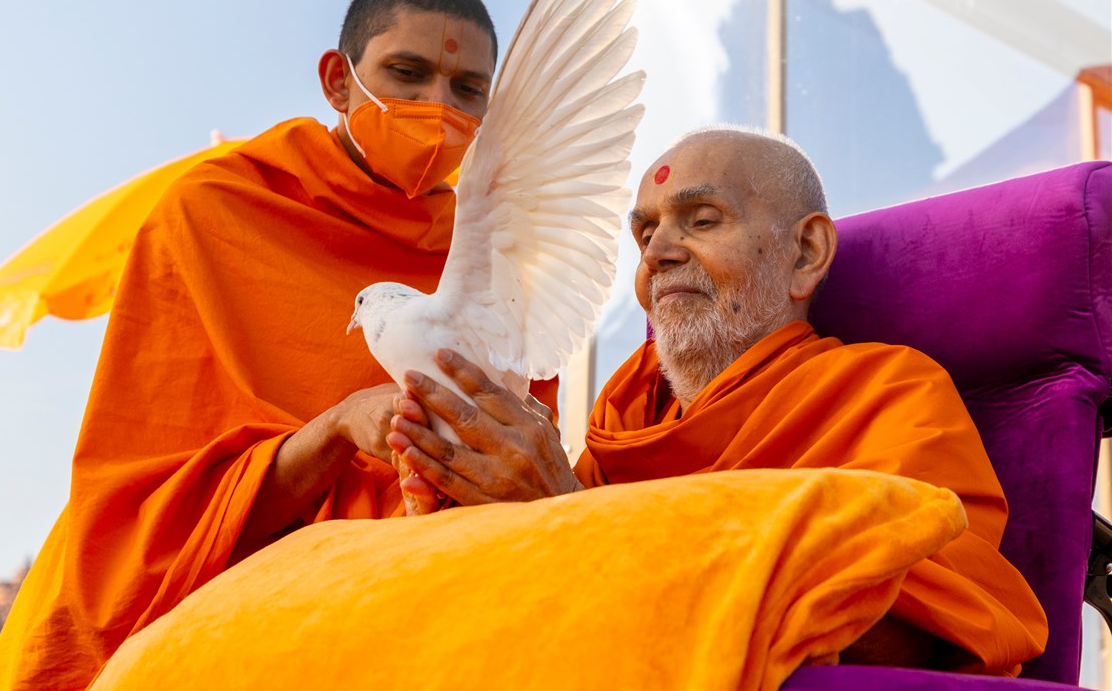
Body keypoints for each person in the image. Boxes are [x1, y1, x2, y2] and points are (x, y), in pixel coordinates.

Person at [0, 0, 557, 691]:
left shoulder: (497, 256)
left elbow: (515, 471)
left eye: (467, 90)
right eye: (406, 75)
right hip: (209, 634)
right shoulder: (213, 213)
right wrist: (337, 429)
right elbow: (138, 508)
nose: (436, 109)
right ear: (338, 82)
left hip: (411, 630)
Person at [388, 126, 1049, 675]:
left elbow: (900, 636)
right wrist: (462, 500)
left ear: (805, 253)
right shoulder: (623, 424)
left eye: (701, 221)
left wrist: (565, 516)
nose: (659, 256)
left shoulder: (883, 394)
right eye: (643, 235)